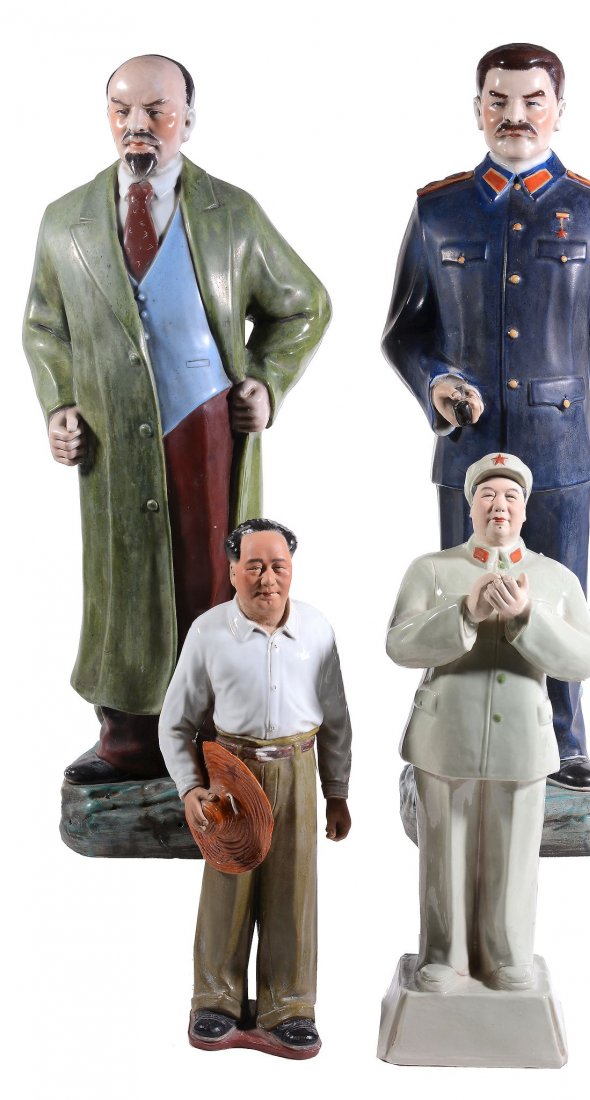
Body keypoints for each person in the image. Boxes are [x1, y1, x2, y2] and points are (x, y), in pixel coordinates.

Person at [23, 55, 330, 786]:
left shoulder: (234, 213)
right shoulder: (65, 220)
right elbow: (43, 327)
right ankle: (128, 738)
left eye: (156, 110)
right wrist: (60, 402)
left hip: (205, 430)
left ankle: (217, 734)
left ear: (187, 120)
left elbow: (304, 305)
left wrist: (267, 381)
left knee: (208, 576)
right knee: (124, 583)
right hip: (111, 441)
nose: (138, 125)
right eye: (122, 110)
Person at [382, 42, 590, 791]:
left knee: (557, 594)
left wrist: (563, 394)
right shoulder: (440, 210)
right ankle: (452, 739)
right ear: (477, 109)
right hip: (466, 448)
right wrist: (436, 383)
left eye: (533, 101)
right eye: (498, 100)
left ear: (560, 110)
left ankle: (561, 742)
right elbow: (405, 332)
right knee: (458, 590)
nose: (515, 115)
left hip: (558, 451)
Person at [386, 453, 590, 993]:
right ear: (470, 506)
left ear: (524, 510)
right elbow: (400, 644)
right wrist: (464, 613)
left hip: (522, 739)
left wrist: (529, 616)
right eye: (487, 495)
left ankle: (508, 954)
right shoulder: (431, 570)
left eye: (510, 497)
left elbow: (583, 660)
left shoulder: (555, 578)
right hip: (444, 736)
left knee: (515, 852)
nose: (498, 505)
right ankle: (444, 954)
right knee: (444, 853)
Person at [159, 519, 352, 1057]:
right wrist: (190, 789)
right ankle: (215, 999)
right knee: (228, 885)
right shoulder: (209, 633)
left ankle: (289, 1005)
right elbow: (175, 723)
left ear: (292, 570)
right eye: (255, 566)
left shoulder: (316, 630)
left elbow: (337, 719)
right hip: (231, 774)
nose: (268, 578)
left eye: (278, 566)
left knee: (294, 889)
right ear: (232, 571)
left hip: (298, 769)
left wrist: (336, 791)